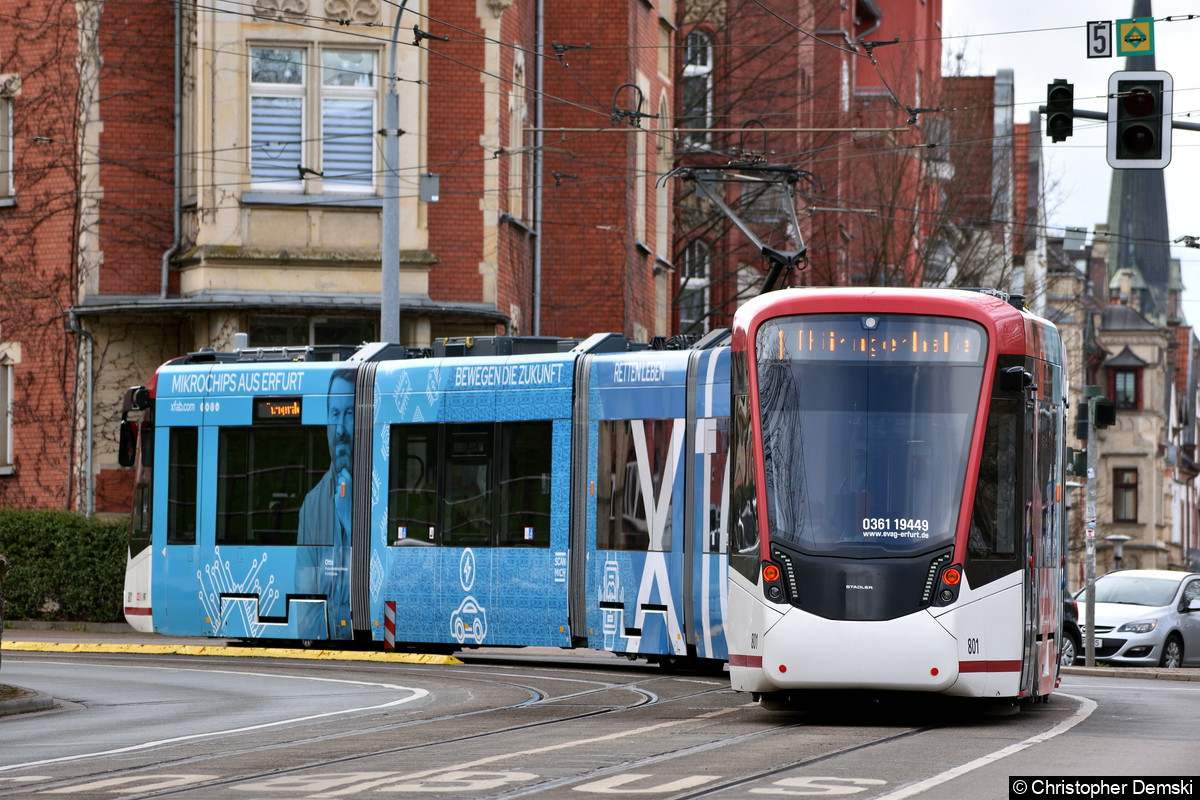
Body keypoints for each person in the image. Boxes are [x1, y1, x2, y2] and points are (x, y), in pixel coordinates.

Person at [296, 367, 356, 639]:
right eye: (335, 414)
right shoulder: (311, 505)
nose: (341, 428)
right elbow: (306, 616)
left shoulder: (382, 492)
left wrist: (351, 520)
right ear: (326, 425)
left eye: (349, 413)